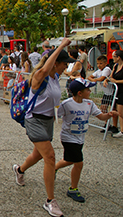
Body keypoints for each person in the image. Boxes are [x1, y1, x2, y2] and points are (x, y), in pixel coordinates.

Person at [12, 38, 75, 217]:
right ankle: (50, 201)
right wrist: (61, 45)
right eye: (64, 64)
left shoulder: (55, 78)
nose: (66, 67)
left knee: (38, 155)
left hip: (48, 121)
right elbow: (46, 67)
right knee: (50, 156)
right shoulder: (40, 75)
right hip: (34, 120)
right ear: (55, 63)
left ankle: (19, 170)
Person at [55, 78, 117, 203]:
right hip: (68, 137)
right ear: (79, 93)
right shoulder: (66, 104)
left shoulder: (89, 104)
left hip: (80, 138)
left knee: (69, 160)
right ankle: (73, 189)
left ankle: (53, 168)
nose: (90, 91)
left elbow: (100, 116)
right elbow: (55, 114)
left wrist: (109, 115)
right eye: (88, 89)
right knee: (79, 163)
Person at [88, 55, 119, 133]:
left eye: (101, 63)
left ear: (105, 63)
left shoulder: (107, 69)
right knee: (103, 108)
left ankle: (115, 126)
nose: (99, 65)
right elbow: (90, 77)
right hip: (106, 93)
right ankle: (106, 124)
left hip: (112, 92)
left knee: (113, 109)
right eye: (98, 63)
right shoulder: (98, 71)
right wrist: (94, 79)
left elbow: (102, 78)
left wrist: (94, 79)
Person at [104, 50, 123, 138]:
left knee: (121, 111)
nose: (113, 58)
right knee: (118, 111)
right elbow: (111, 76)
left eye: (114, 56)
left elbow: (116, 79)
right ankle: (120, 130)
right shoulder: (115, 66)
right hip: (117, 91)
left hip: (122, 90)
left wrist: (116, 81)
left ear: (119, 57)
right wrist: (107, 79)